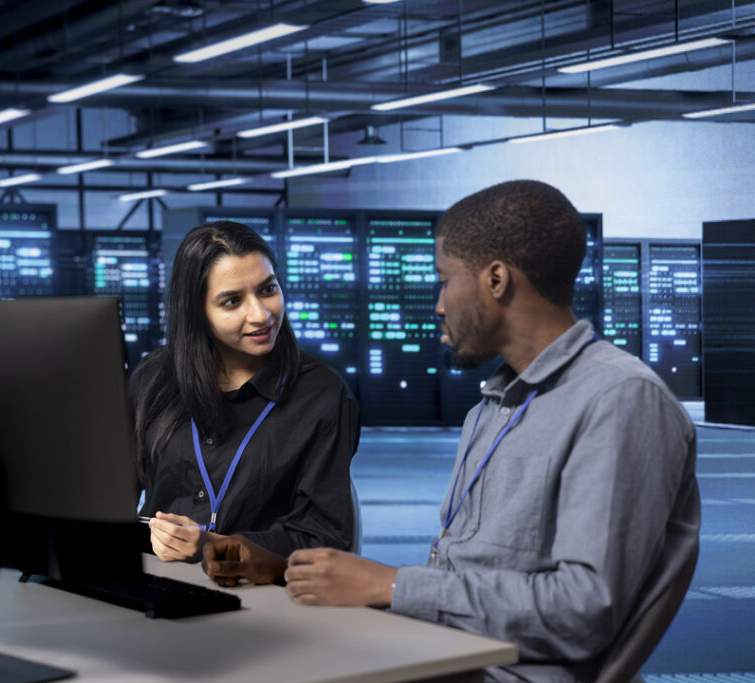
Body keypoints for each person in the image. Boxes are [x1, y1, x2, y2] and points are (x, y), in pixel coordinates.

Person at [203, 181, 701, 682]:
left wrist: (394, 587)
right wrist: (290, 572)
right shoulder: (491, 409)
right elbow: (458, 586)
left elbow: (583, 612)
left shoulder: (619, 400)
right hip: (442, 652)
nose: (440, 305)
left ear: (496, 280)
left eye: (446, 280)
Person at [130, 220, 359, 563]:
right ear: (196, 312)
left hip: (262, 593)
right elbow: (108, 499)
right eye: (232, 301)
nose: (261, 314)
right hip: (156, 578)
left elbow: (324, 536)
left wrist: (214, 546)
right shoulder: (153, 377)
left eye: (268, 289)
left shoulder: (321, 395)